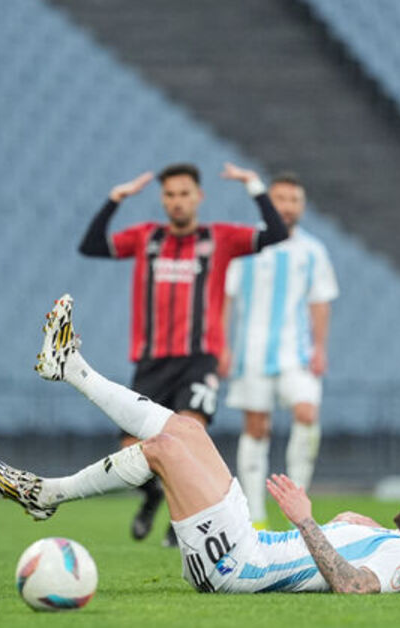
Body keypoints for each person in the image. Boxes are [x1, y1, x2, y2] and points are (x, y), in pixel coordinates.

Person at [0, 295, 400, 594]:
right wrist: (349, 527)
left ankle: (46, 494)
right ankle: (69, 366)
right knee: (187, 429)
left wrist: (307, 520)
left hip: (237, 565)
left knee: (163, 452)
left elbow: (354, 587)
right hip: (245, 543)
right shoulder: (395, 538)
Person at [77, 162, 289, 544]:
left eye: (184, 194)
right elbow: (91, 246)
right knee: (134, 452)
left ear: (198, 197)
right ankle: (151, 497)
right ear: (163, 199)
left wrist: (255, 184)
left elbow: (275, 233)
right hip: (151, 361)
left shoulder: (220, 238)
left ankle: (181, 526)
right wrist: (115, 199)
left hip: (198, 359)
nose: (177, 202)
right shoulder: (146, 238)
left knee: (188, 439)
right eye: (170, 195)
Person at [221, 171, 338, 529]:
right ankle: (256, 516)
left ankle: (297, 508)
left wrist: (320, 348)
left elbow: (320, 302)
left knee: (307, 413)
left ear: (302, 207)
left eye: (294, 200)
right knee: (256, 428)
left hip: (296, 354)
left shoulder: (313, 251)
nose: (287, 206)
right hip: (251, 353)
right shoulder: (246, 245)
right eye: (281, 199)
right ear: (268, 202)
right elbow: (226, 298)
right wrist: (222, 346)